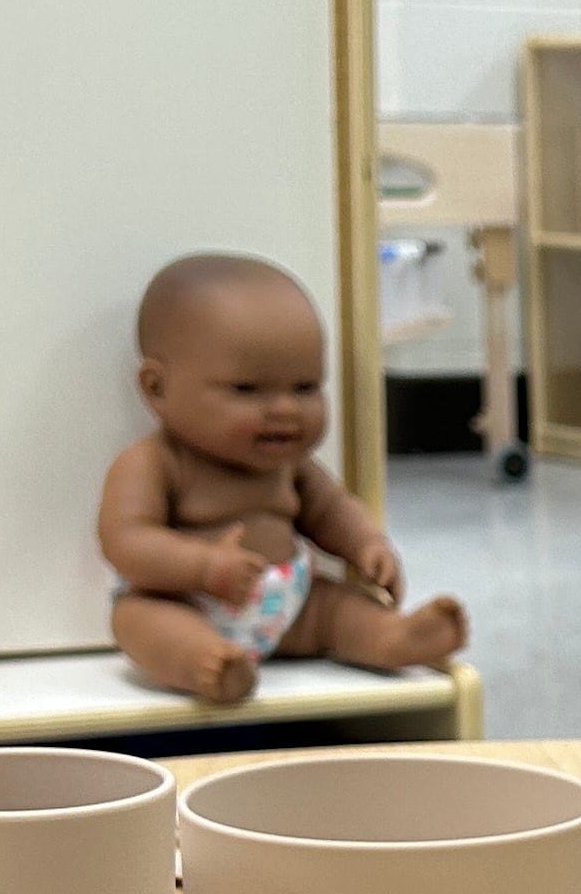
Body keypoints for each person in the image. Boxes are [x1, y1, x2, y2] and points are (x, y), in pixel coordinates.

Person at [97, 252, 465, 705]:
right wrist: (205, 567)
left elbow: (331, 508)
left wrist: (367, 544)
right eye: (247, 389)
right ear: (157, 387)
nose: (285, 409)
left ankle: (394, 638)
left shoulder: (289, 467)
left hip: (291, 603)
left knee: (338, 609)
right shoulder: (154, 463)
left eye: (305, 388)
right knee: (139, 619)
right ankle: (207, 663)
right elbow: (127, 542)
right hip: (188, 601)